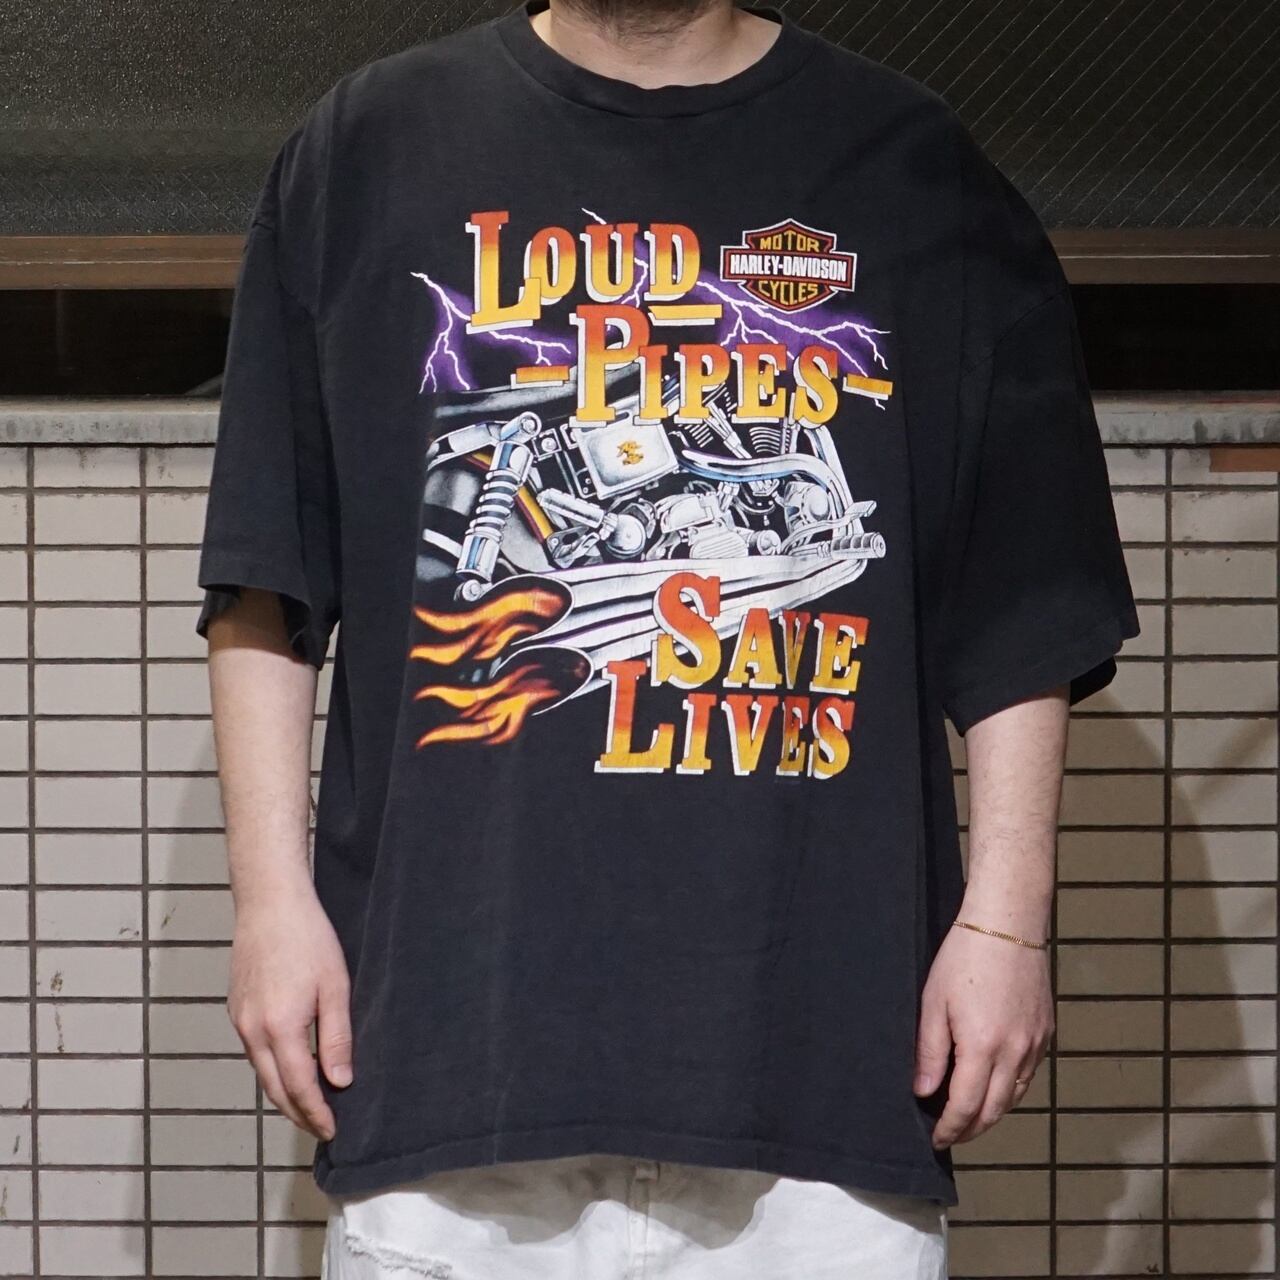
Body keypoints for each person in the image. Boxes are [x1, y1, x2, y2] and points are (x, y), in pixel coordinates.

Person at [197, 0, 1139, 1275]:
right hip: (452, 1048)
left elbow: (1020, 594)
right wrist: (270, 903)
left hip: (818, 1066)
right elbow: (266, 574)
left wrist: (1007, 927)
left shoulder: (912, 163)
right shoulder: (370, 145)